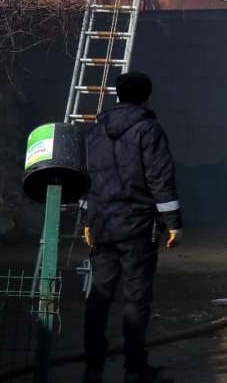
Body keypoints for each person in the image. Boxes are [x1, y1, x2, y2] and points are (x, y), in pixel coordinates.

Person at [82, 72, 182, 383]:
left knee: (99, 296)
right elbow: (159, 178)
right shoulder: (148, 129)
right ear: (147, 97)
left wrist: (88, 219)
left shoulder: (96, 130)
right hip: (137, 226)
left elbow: (90, 178)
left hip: (103, 224)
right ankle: (135, 371)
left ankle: (93, 369)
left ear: (117, 94)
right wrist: (173, 224)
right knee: (136, 298)